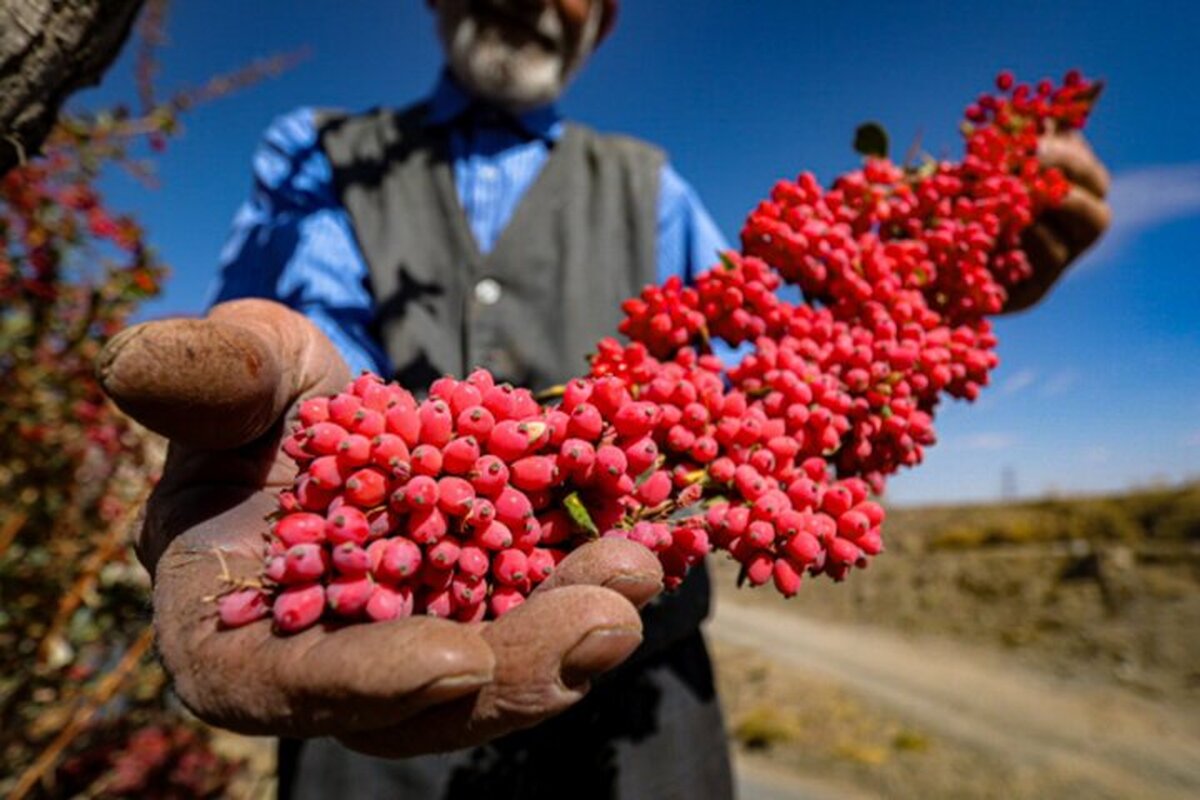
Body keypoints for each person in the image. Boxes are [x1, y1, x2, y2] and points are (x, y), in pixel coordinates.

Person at [97, 1, 1112, 798]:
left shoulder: (651, 185)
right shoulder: (316, 154)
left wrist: (930, 292)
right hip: (368, 722)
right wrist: (275, 400)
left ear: (606, 15)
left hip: (650, 727)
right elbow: (295, 348)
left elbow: (773, 400)